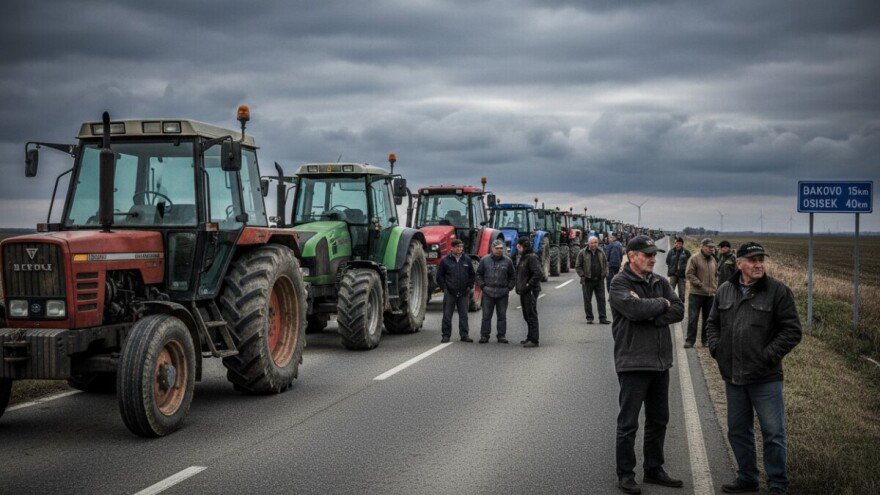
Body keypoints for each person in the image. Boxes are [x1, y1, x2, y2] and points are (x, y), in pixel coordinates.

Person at [706, 242, 802, 495]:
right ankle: (747, 477)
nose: (759, 264)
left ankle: (778, 484)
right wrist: (717, 349)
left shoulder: (778, 291)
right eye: (753, 260)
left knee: (773, 433)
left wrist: (767, 356)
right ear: (739, 264)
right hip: (734, 377)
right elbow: (712, 324)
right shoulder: (725, 290)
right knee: (738, 431)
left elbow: (792, 331)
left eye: (761, 259)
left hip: (765, 377)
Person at [609, 235, 685, 494]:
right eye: (648, 254)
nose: (654, 258)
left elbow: (678, 310)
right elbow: (632, 310)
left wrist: (653, 313)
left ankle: (654, 469)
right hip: (633, 362)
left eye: (655, 254)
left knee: (658, 419)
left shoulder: (660, 281)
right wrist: (659, 305)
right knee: (628, 422)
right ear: (632, 256)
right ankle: (626, 475)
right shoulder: (619, 282)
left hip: (660, 363)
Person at [476, 239, 516, 343]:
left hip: (503, 293)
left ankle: (501, 336)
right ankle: (484, 335)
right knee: (486, 316)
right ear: (492, 249)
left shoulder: (508, 261)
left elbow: (513, 276)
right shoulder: (484, 260)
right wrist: (483, 286)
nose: (499, 250)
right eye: (497, 248)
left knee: (502, 316)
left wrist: (509, 288)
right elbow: (478, 274)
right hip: (488, 292)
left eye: (501, 248)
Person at [435, 238, 475, 343]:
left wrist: (469, 286)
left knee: (464, 315)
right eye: (457, 247)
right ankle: (446, 335)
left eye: (461, 247)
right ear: (452, 248)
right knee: (447, 315)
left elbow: (472, 275)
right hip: (450, 293)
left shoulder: (467, 260)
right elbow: (440, 276)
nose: (459, 249)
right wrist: (445, 288)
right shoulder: (445, 260)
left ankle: (464, 335)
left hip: (463, 292)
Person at [684, 238, 718, 348]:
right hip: (696, 294)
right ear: (702, 247)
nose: (711, 249)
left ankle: (705, 340)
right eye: (709, 247)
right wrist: (699, 284)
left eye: (712, 247)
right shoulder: (694, 258)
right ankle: (690, 341)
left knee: (708, 320)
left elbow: (716, 275)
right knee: (693, 319)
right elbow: (689, 274)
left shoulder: (713, 260)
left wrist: (714, 287)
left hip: (710, 295)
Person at [515, 236, 543, 348]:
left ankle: (534, 340)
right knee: (526, 315)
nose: (517, 248)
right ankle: (529, 336)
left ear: (523, 246)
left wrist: (528, 285)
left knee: (531, 314)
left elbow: (538, 273)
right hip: (524, 291)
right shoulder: (523, 257)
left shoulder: (531, 257)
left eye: (519, 246)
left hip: (530, 290)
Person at [575, 236, 609, 324]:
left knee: (601, 300)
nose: (593, 244)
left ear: (597, 243)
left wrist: (604, 274)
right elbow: (578, 266)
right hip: (587, 281)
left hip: (599, 280)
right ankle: (589, 318)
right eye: (592, 243)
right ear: (588, 243)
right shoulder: (582, 252)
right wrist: (582, 275)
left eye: (595, 242)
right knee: (587, 300)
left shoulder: (601, 252)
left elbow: (605, 263)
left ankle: (603, 318)